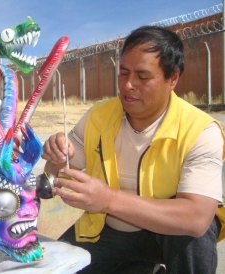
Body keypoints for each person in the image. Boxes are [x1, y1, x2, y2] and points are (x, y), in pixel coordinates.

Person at [42, 25, 225, 274]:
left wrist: (108, 199)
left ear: (173, 78)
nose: (128, 85)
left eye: (143, 76)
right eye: (123, 73)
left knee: (194, 236)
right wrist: (54, 159)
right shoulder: (98, 116)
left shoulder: (200, 130)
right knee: (54, 267)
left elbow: (196, 217)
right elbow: (57, 179)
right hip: (105, 232)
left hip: (164, 237)